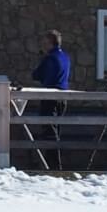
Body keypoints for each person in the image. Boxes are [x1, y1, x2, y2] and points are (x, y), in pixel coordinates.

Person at [29, 31, 72, 170]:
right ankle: (53, 164)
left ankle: (53, 166)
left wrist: (42, 61)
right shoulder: (66, 57)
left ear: (50, 43)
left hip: (49, 96)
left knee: (49, 132)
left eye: (45, 43)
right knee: (55, 130)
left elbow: (37, 75)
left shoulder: (50, 59)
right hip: (63, 97)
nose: (43, 46)